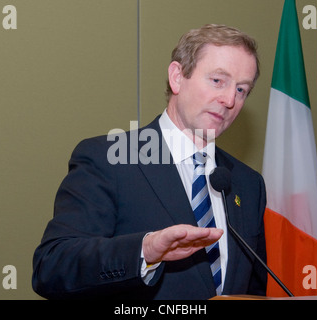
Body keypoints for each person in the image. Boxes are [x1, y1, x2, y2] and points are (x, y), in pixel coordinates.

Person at [32, 24, 267, 299]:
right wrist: (145, 251)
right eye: (218, 81)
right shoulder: (109, 160)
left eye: (241, 90)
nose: (229, 100)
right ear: (177, 77)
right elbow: (51, 267)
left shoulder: (248, 183)